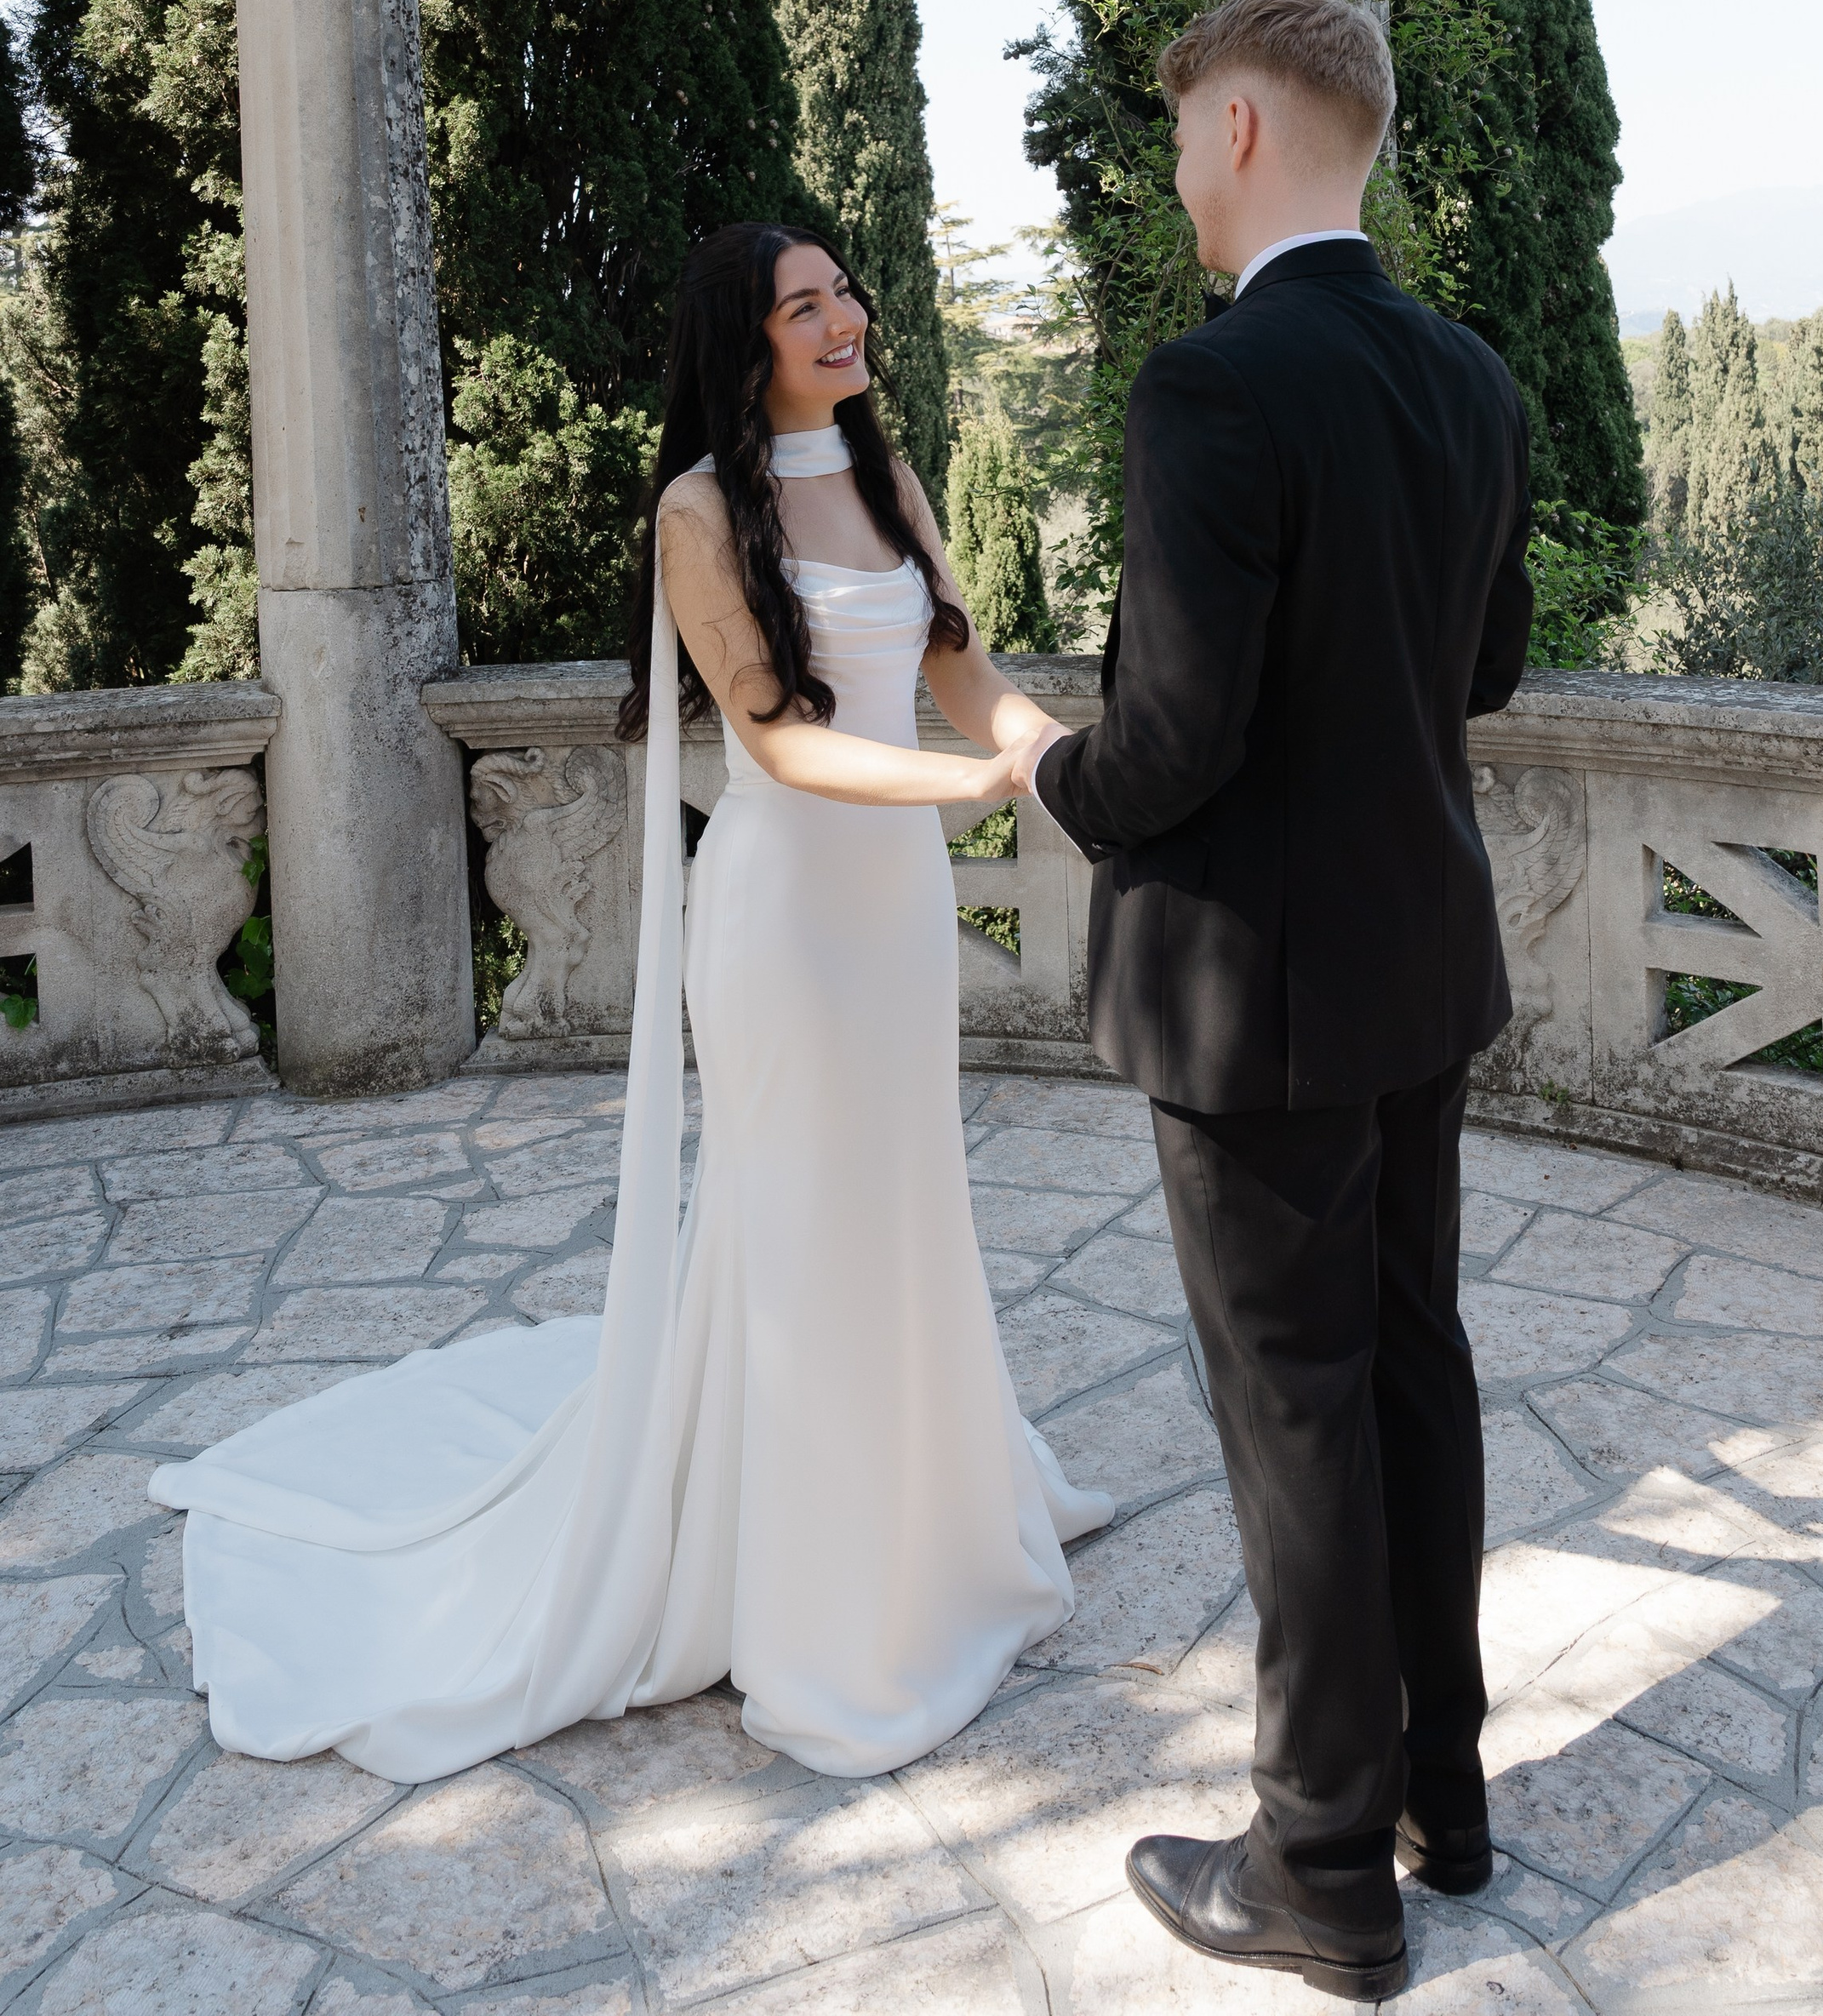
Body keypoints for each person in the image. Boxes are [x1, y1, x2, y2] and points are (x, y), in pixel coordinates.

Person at [151, 222, 1112, 1783]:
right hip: (791, 908)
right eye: (806, 307)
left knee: (905, 1197)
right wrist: (974, 786)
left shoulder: (888, 474)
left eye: (844, 292)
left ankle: (933, 1514)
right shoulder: (697, 512)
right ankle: (818, 1600)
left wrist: (1064, 754)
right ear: (746, 345)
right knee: (795, 1222)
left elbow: (969, 677)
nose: (846, 320)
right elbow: (786, 746)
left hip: (897, 918)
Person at [1010, 0, 1532, 2005]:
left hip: (1248, 1003)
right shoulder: (1468, 378)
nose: (1175, 178)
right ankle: (1437, 1798)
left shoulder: (1208, 388)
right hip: (1419, 965)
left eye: (1177, 130)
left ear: (1239, 125)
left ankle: (1317, 1869)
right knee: (1408, 1365)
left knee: (1293, 1413)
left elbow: (1167, 752)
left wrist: (1040, 763)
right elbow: (1476, 672)